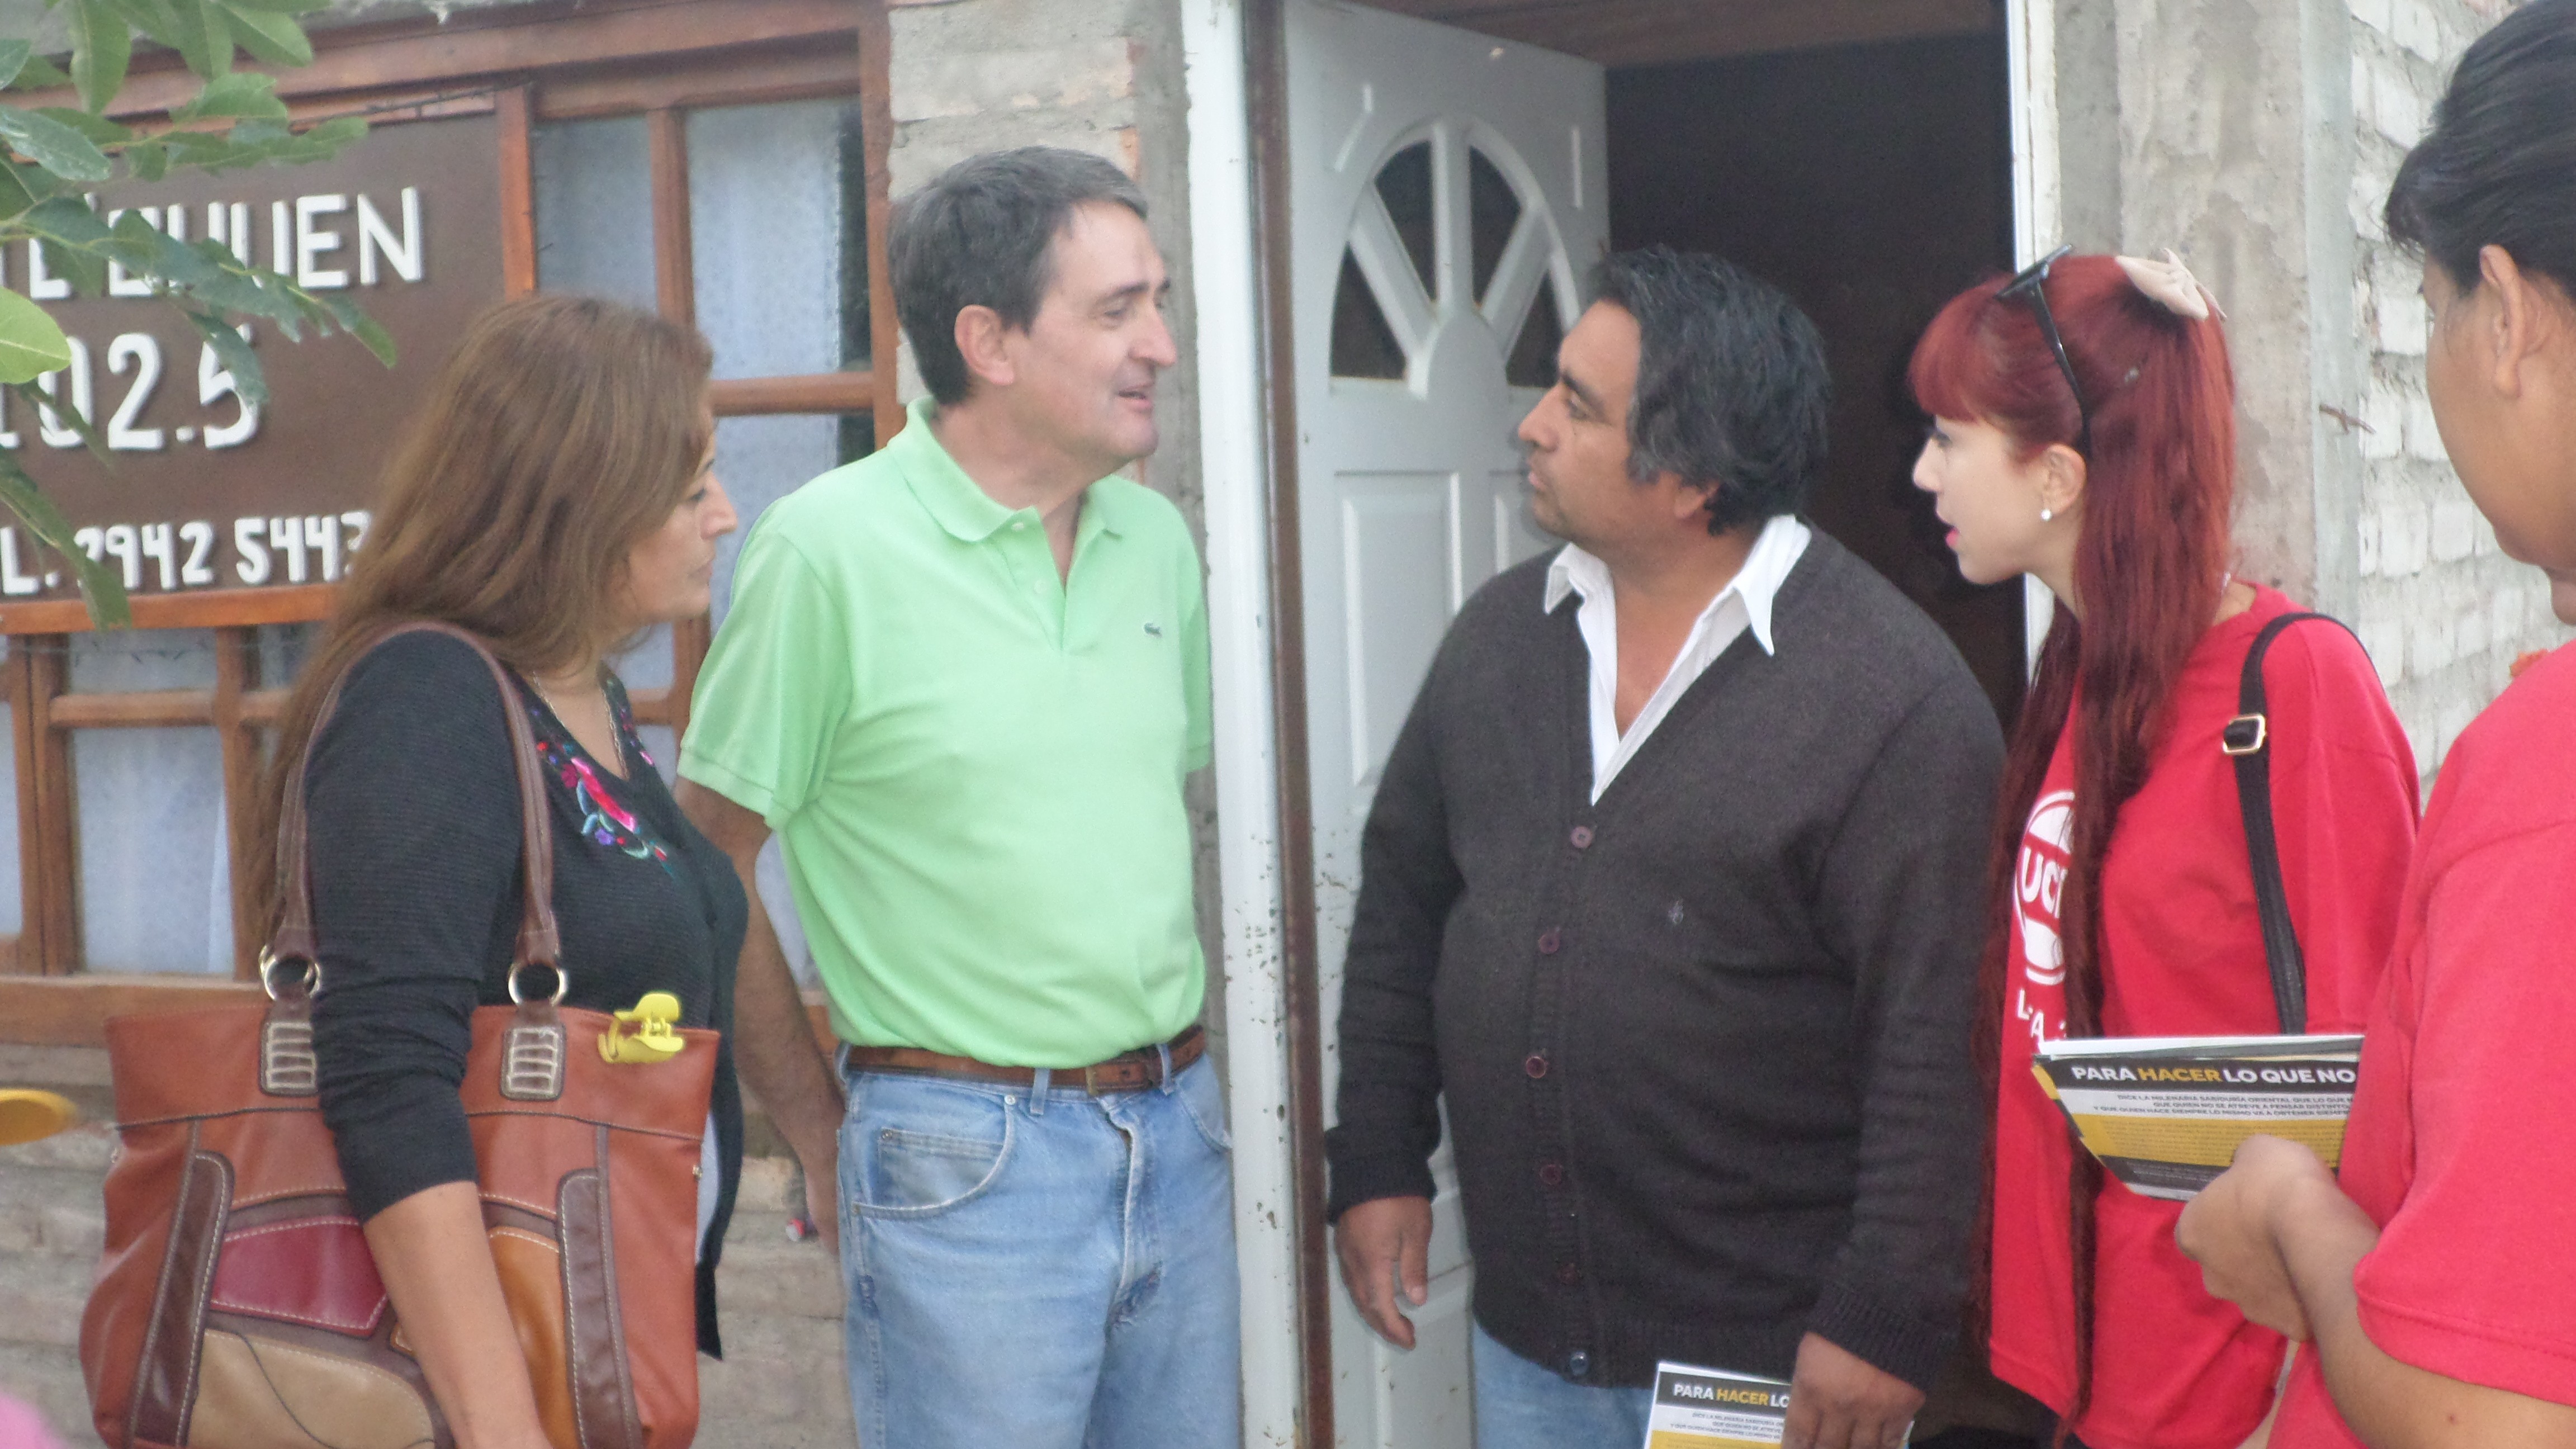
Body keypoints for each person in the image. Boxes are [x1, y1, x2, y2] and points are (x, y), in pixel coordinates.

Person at [1328, 247, 2002, 1449]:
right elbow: (1403, 911)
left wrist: (1887, 1313)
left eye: (1578, 406)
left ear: (1694, 478)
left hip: (1769, 1374)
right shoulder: (1499, 640)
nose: (1532, 425)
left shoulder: (1893, 701)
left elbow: (1936, 1041)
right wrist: (1378, 1155)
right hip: (1530, 1349)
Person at [675, 146, 1234, 1449]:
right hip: (965, 1164)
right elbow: (712, 861)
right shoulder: (826, 550)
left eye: (1156, 303)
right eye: (1118, 310)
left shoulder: (1154, 540)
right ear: (988, 341)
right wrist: (815, 1127)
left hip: (1182, 1132)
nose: (1160, 344)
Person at [1909, 247, 2420, 1449]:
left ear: (2057, 474)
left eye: (1947, 437)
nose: (1921, 471)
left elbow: (2384, 1078)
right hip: (2095, 1364)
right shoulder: (2084, 674)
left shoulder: (2290, 687)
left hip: (2228, 1383)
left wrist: (2305, 1399)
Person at [2179, 4, 2576, 1443]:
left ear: (2507, 314)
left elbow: (2494, 1421)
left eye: (2431, 310)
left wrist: (2297, 1214)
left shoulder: (2547, 778)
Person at [255, 293, 747, 1449]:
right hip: (486, 1387)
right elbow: (386, 1080)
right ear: (583, 502)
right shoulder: (426, 699)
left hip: (595, 1341)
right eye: (691, 490)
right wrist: (502, 1429)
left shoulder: (579, 691)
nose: (725, 516)